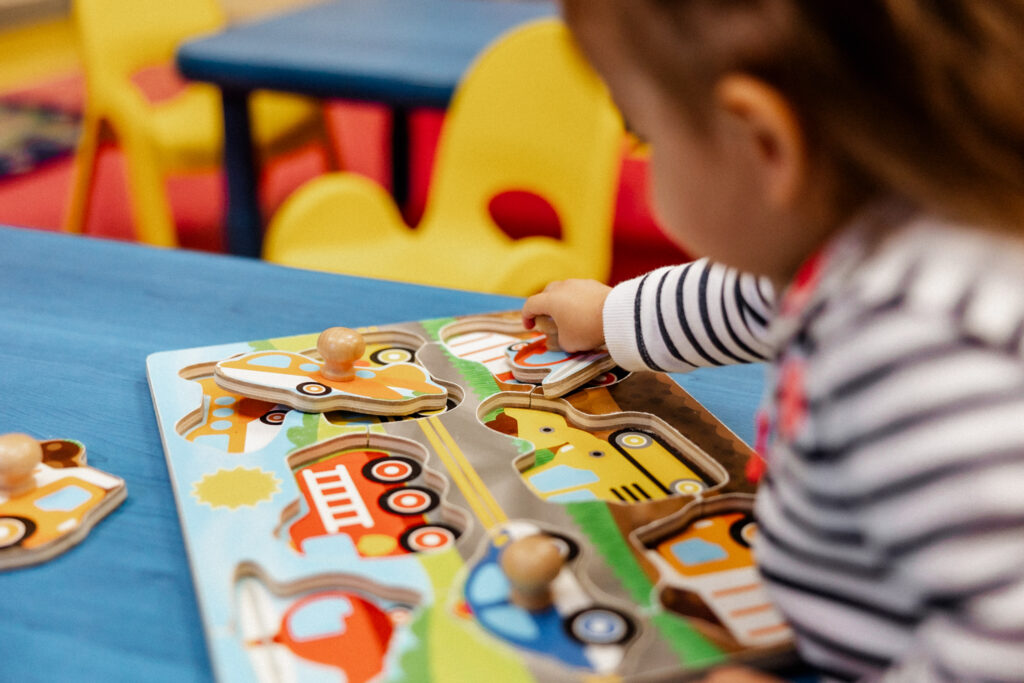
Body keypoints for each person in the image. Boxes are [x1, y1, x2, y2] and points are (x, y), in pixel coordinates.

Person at [522, 1, 1024, 681]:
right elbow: (752, 295)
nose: (646, 160)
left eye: (646, 137)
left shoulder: (910, 348)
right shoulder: (882, 233)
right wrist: (616, 317)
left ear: (762, 140)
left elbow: (1005, 641)